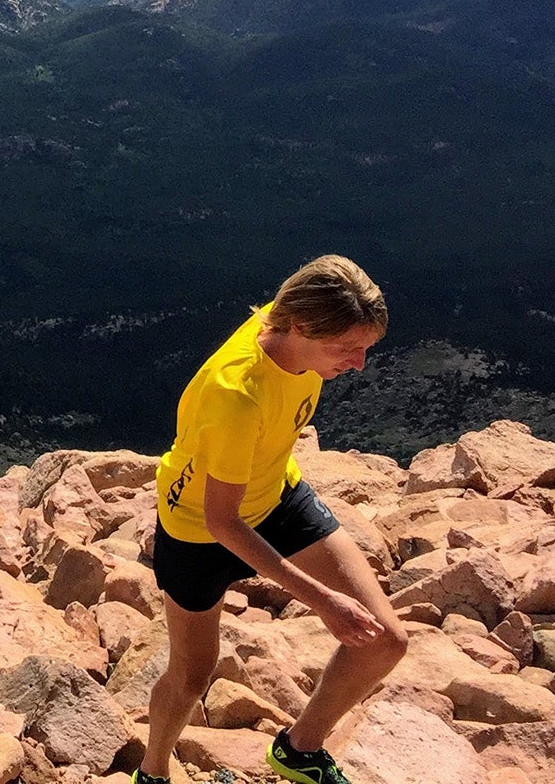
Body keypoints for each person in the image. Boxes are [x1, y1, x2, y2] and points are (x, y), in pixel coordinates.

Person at [133, 257, 407, 784]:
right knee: (192, 676)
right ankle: (152, 773)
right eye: (347, 349)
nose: (359, 364)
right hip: (197, 529)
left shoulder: (295, 338)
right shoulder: (236, 395)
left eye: (365, 347)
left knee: (385, 640)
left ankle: (300, 749)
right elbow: (223, 523)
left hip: (277, 494)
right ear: (300, 327)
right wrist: (324, 601)